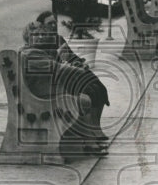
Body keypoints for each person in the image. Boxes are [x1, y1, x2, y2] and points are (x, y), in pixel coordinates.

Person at [23, 12, 110, 154]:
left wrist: (79, 66)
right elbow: (58, 67)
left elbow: (68, 59)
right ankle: (89, 141)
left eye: (42, 34)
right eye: (38, 35)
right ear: (29, 38)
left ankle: (92, 134)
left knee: (95, 86)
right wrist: (73, 67)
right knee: (83, 98)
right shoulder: (31, 54)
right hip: (44, 96)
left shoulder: (42, 46)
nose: (41, 37)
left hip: (53, 87)